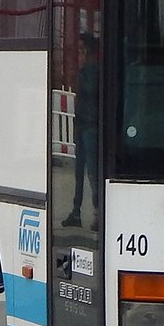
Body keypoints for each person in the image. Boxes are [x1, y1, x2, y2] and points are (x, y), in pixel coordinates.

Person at [63, 32, 100, 229]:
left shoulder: (93, 72)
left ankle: (95, 212)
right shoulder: (86, 71)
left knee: (91, 172)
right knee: (81, 172)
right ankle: (77, 211)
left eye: (80, 50)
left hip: (90, 126)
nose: (78, 54)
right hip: (84, 125)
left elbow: (88, 93)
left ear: (87, 51)